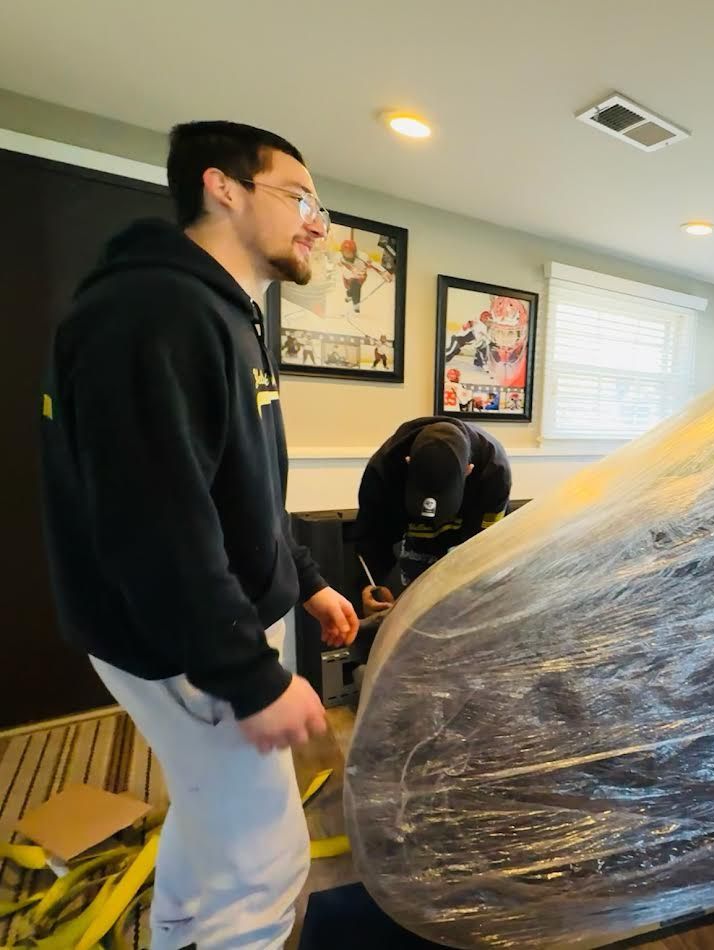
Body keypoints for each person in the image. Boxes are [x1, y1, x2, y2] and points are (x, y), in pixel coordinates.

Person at [39, 121, 360, 950]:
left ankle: (176, 936)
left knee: (214, 813)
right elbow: (155, 521)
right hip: (183, 639)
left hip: (203, 625)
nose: (316, 223)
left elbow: (235, 489)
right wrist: (246, 673)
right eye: (299, 197)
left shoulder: (221, 312)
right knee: (262, 859)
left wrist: (306, 579)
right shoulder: (152, 312)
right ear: (223, 186)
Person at [355, 418, 512, 614]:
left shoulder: (493, 471)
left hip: (465, 547)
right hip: (415, 547)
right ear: (408, 463)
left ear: (468, 470)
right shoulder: (384, 469)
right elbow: (371, 535)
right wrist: (370, 585)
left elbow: (484, 543)